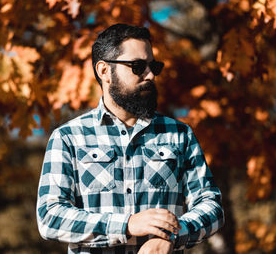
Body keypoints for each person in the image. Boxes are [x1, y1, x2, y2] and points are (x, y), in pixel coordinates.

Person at [36, 23, 224, 254]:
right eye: (137, 66)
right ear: (104, 71)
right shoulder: (68, 138)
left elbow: (211, 206)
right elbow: (49, 216)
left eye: (153, 66)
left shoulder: (179, 135)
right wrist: (126, 225)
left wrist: (174, 235)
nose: (150, 75)